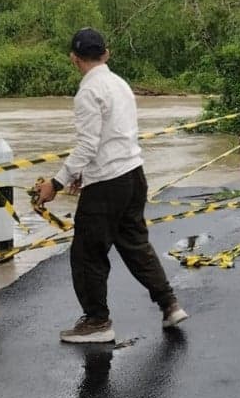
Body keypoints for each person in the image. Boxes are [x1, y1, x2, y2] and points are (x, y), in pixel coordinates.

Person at [35, 28, 188, 344]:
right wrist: (82, 175)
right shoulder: (120, 85)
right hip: (134, 175)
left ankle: (96, 322)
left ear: (74, 59)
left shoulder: (88, 93)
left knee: (87, 253)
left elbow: (89, 144)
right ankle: (169, 303)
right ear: (106, 53)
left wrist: (56, 182)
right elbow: (113, 139)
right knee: (135, 244)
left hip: (107, 185)